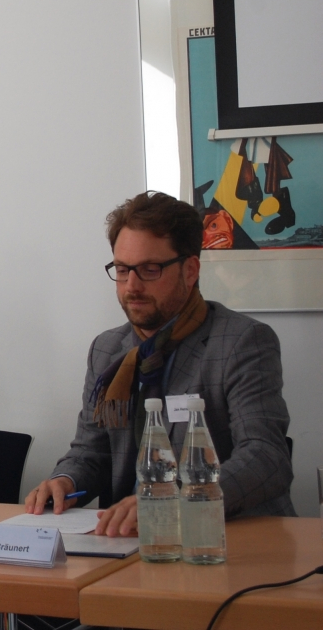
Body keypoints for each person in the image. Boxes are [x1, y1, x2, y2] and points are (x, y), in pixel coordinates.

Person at [25, 192, 295, 537]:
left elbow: (265, 456)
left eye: (150, 270)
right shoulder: (108, 350)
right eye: (122, 270)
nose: (132, 286)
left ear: (190, 270)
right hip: (129, 539)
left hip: (224, 537)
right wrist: (65, 481)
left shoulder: (241, 341)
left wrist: (176, 499)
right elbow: (92, 452)